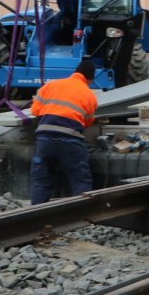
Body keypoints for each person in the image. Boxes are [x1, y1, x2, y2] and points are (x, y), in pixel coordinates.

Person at [29, 59, 99, 204]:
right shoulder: (89, 95)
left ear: (75, 72)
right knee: (80, 181)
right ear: (90, 79)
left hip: (44, 140)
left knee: (41, 181)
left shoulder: (50, 85)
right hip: (70, 141)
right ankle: (80, 213)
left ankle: (36, 214)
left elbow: (35, 111)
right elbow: (87, 122)